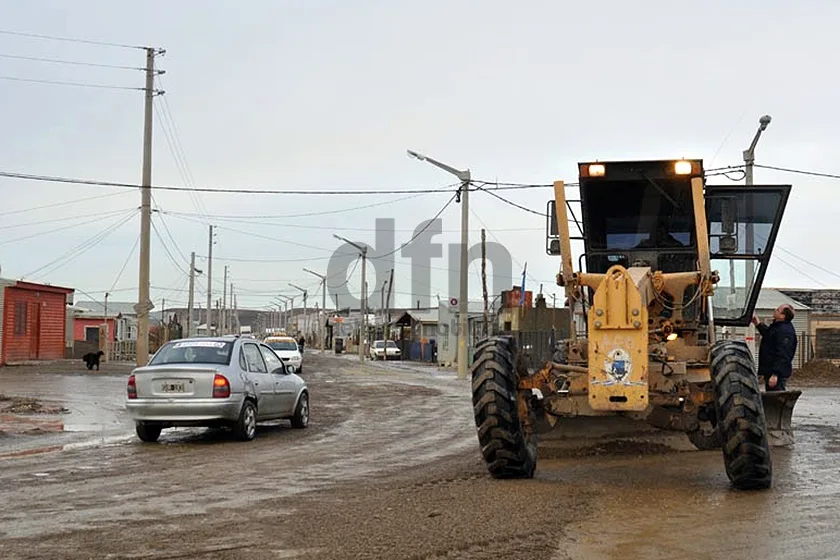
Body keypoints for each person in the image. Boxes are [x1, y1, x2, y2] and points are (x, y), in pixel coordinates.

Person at [752, 304, 797, 391]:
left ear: (782, 316)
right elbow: (769, 336)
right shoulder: (778, 327)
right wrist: (758, 324)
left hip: (776, 374)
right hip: (770, 371)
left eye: (777, 310)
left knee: (776, 399)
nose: (775, 310)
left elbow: (784, 354)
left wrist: (775, 374)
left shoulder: (785, 332)